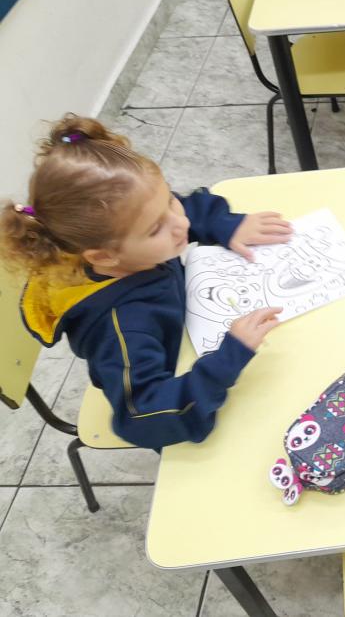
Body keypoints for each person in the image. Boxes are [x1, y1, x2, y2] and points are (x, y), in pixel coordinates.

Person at [0, 115, 292, 450]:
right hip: (183, 395)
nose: (180, 223)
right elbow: (143, 415)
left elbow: (180, 210)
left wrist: (224, 224)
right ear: (104, 256)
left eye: (167, 200)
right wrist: (227, 359)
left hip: (191, 332)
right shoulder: (121, 329)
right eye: (156, 228)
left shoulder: (129, 237)